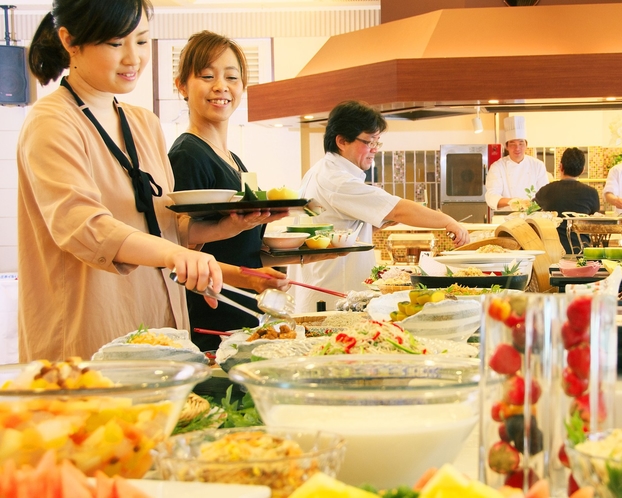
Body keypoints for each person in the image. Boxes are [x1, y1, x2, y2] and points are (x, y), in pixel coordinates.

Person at [17, 0, 231, 361]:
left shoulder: (143, 122)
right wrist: (174, 253)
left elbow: (162, 227)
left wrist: (229, 224)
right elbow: (84, 227)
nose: (133, 58)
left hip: (161, 324)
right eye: (116, 44)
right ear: (70, 41)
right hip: (89, 330)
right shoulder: (51, 122)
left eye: (142, 42)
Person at [169, 31, 336, 349]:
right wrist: (248, 276)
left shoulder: (234, 160)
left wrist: (294, 256)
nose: (221, 86)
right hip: (210, 315)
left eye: (231, 77)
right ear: (182, 86)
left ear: (242, 87)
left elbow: (240, 243)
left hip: (240, 312)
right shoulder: (186, 154)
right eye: (207, 76)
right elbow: (181, 246)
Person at [289, 100, 470, 313]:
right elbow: (398, 209)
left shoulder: (321, 170)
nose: (374, 149)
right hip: (335, 295)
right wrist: (449, 222)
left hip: (325, 290)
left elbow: (334, 231)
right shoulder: (337, 180)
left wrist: (371, 224)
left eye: (377, 142)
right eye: (369, 141)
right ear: (342, 141)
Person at [534, 147, 600, 253]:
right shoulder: (591, 193)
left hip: (552, 250)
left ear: (560, 167)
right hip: (582, 249)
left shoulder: (546, 190)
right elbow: (595, 218)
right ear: (582, 170)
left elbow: (532, 212)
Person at [484, 116, 549, 210]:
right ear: (507, 146)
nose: (517, 148)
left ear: (526, 145)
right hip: (505, 217)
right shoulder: (498, 167)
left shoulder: (538, 165)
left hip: (533, 216)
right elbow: (491, 196)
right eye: (512, 144)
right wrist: (513, 202)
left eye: (521, 143)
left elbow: (545, 195)